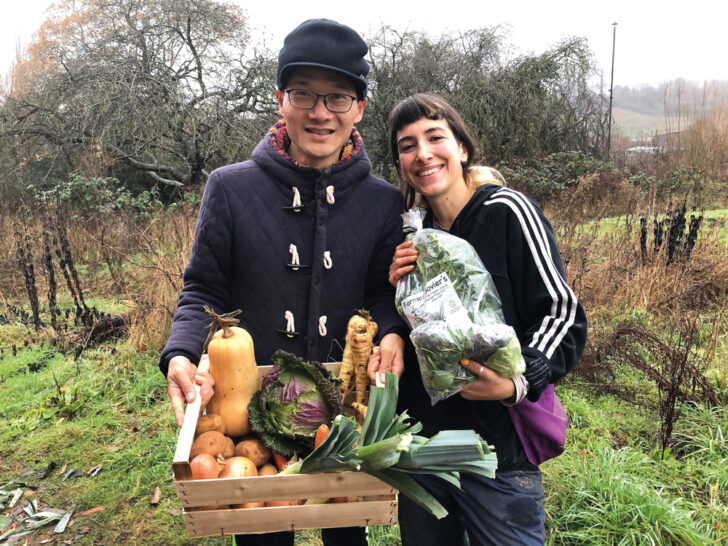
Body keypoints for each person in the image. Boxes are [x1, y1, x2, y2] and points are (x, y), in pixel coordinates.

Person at [159, 19, 407, 546]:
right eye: (304, 94)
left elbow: (382, 293)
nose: (320, 112)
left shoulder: (383, 201)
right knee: (262, 533)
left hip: (342, 416)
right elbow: (202, 290)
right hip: (251, 416)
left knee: (346, 534)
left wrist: (390, 332)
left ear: (360, 108)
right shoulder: (228, 189)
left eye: (338, 97)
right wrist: (180, 352)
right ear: (280, 100)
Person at [369, 94, 587, 545]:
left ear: (462, 147)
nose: (423, 154)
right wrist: (397, 299)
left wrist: (517, 383)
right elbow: (424, 335)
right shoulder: (414, 235)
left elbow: (562, 313)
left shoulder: (507, 211)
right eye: (407, 145)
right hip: (424, 451)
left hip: (497, 453)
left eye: (435, 137)